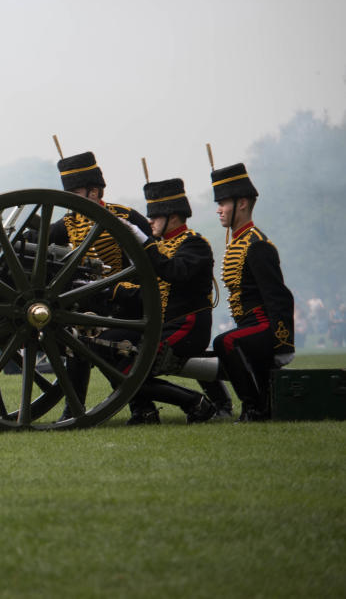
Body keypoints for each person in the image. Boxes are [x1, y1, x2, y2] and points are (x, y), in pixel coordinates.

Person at [48, 151, 152, 414]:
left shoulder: (124, 217)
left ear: (94, 192)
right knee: (77, 339)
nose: (69, 199)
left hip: (125, 306)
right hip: (86, 306)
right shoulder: (67, 225)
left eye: (75, 192)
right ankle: (74, 408)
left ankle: (142, 407)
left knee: (93, 343)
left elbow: (153, 261)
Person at [110, 177, 218, 424]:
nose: (149, 222)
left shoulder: (195, 244)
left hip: (186, 327)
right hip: (160, 326)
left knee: (131, 373)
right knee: (104, 347)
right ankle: (145, 412)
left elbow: (174, 272)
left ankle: (195, 402)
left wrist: (146, 244)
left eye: (155, 216)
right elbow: (144, 288)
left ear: (173, 216)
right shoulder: (160, 247)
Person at [209, 163, 295, 422]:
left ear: (242, 203)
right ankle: (253, 406)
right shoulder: (238, 241)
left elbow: (277, 296)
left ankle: (255, 408)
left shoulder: (257, 245)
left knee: (226, 342)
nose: (219, 209)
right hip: (248, 324)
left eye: (223, 203)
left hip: (262, 325)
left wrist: (283, 342)